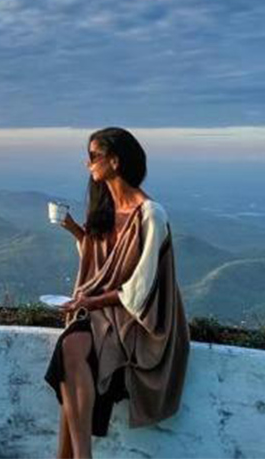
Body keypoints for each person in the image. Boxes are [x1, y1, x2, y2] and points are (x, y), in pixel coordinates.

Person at [44, 127, 189, 459]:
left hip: (138, 320)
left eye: (94, 156)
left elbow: (141, 287)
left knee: (70, 348)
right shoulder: (107, 208)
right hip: (103, 312)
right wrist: (73, 229)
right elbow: (99, 263)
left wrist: (89, 302)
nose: (88, 164)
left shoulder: (151, 214)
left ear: (115, 160)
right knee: (70, 349)